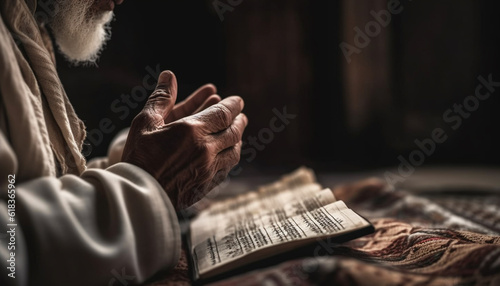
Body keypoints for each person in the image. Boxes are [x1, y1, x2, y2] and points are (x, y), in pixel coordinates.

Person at [0, 0, 247, 285]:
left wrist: (135, 163)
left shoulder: (23, 20)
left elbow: (31, 190)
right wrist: (145, 185)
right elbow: (12, 258)